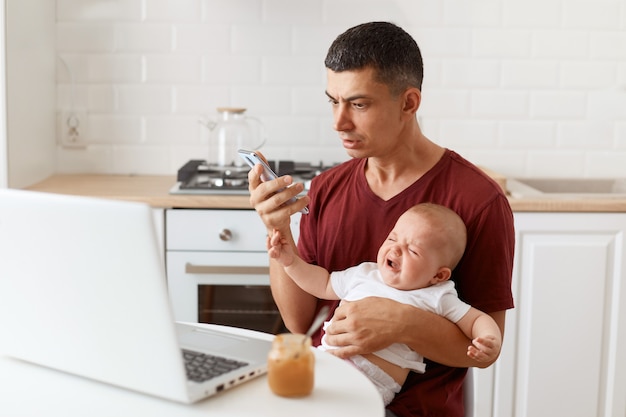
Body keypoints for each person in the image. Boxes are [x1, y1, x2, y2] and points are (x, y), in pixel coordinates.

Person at [247, 21, 515, 417]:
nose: (339, 122)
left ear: (409, 103)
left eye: (358, 104)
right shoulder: (326, 188)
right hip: (324, 395)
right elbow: (300, 321)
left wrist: (402, 323)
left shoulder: (479, 201)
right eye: (332, 102)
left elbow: (481, 353)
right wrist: (277, 228)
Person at [267, 203, 502, 406]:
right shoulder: (365, 274)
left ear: (438, 275)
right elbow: (322, 282)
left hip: (372, 381)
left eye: (412, 250)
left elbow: (477, 319)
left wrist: (489, 338)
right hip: (326, 363)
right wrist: (290, 262)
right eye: (392, 238)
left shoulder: (436, 295)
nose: (396, 249)